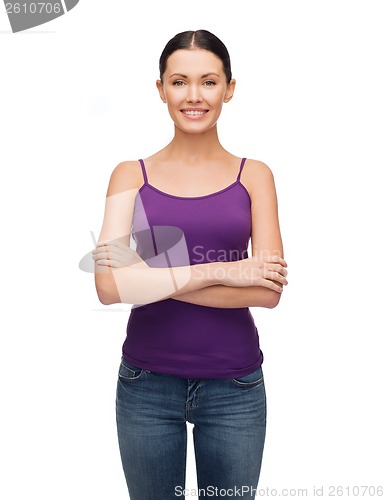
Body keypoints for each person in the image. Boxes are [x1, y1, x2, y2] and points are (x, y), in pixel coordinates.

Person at [92, 29, 288, 500]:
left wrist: (143, 276)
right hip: (145, 386)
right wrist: (222, 269)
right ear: (160, 89)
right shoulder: (129, 175)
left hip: (235, 387)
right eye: (179, 82)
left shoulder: (255, 176)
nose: (194, 96)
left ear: (229, 88)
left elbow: (267, 291)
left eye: (209, 81)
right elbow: (107, 287)